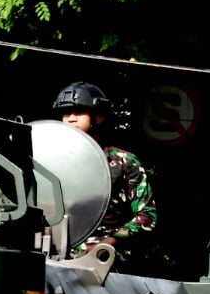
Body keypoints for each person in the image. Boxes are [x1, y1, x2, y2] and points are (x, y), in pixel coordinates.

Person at [51, 81, 157, 256]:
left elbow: (147, 216)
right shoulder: (50, 161)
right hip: (53, 252)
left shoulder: (123, 162)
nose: (71, 118)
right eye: (66, 113)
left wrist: (111, 241)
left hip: (105, 260)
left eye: (79, 112)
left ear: (98, 117)